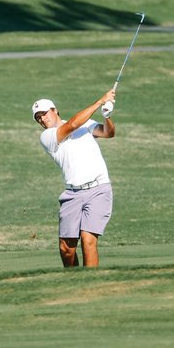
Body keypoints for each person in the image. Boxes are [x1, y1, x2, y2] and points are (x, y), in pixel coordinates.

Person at [32, 88, 116, 268]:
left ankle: (90, 285)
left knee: (88, 239)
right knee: (66, 248)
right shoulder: (47, 137)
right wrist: (100, 101)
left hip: (98, 189)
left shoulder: (86, 124)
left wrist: (107, 116)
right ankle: (72, 281)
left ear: (55, 111)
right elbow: (71, 125)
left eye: (44, 114)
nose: (42, 119)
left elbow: (108, 133)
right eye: (38, 118)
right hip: (73, 194)